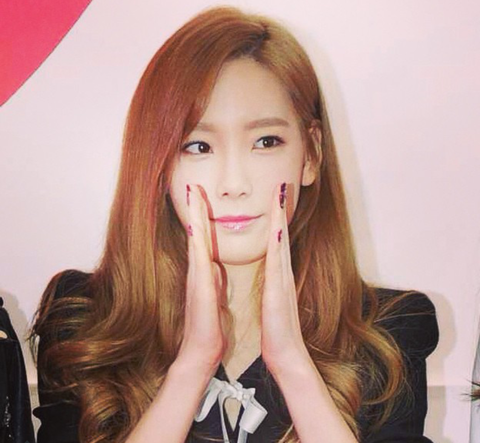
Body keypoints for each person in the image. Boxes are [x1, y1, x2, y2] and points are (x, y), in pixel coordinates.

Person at [29, 6, 439, 443]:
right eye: (198, 146)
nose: (234, 185)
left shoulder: (390, 331)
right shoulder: (83, 321)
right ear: (157, 164)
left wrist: (293, 365)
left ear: (311, 154)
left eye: (265, 141)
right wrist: (192, 366)